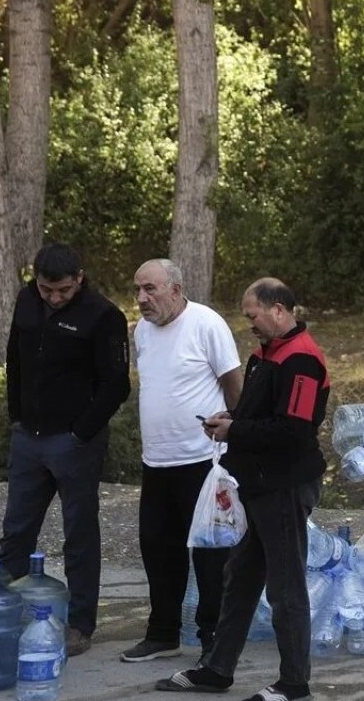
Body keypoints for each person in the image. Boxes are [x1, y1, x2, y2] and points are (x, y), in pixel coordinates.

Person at [157, 278, 329, 701]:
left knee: (285, 586)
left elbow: (294, 430)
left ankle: (295, 682)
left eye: (252, 315)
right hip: (255, 484)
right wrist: (229, 418)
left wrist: (237, 429)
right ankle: (217, 668)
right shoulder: (264, 355)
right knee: (240, 577)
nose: (248, 323)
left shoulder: (302, 360)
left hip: (285, 486)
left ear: (277, 310)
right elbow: (260, 414)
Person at [0, 242, 131, 657]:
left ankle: (80, 623)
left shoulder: (104, 316)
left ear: (80, 278)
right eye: (46, 290)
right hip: (28, 438)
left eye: (64, 291)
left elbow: (117, 384)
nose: (55, 298)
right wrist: (16, 416)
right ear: (34, 281)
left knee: (78, 533)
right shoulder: (25, 301)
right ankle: (3, 609)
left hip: (74, 442)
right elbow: (14, 359)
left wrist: (81, 433)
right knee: (16, 530)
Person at [121, 260, 243, 663]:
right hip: (157, 461)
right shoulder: (142, 331)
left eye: (150, 289)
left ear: (176, 288)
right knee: (158, 549)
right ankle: (162, 633)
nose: (142, 299)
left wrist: (239, 433)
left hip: (203, 460)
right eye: (138, 290)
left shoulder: (207, 323)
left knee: (210, 555)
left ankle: (213, 640)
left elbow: (233, 384)